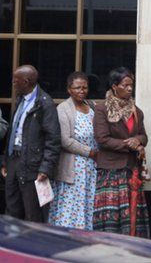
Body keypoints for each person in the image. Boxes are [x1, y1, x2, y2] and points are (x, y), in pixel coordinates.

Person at [93, 67, 149, 237]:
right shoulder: (102, 109)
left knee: (132, 215)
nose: (130, 89)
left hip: (131, 170)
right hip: (111, 170)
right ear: (114, 86)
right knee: (112, 218)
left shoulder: (136, 111)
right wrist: (131, 145)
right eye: (125, 85)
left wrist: (138, 140)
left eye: (131, 85)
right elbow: (102, 139)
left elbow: (144, 136)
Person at [3, 65, 59, 223]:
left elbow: (53, 139)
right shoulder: (20, 99)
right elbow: (13, 131)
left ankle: (29, 247)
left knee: (32, 213)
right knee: (12, 209)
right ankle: (11, 246)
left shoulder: (44, 103)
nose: (13, 84)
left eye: (15, 81)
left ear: (26, 82)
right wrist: (6, 161)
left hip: (33, 166)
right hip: (14, 161)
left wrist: (46, 168)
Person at [50, 71, 96, 230]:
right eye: (77, 87)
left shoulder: (91, 106)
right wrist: (89, 152)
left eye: (85, 87)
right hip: (73, 167)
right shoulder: (63, 108)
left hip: (91, 168)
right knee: (71, 207)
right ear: (69, 89)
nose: (82, 91)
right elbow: (65, 140)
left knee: (88, 204)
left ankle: (87, 239)